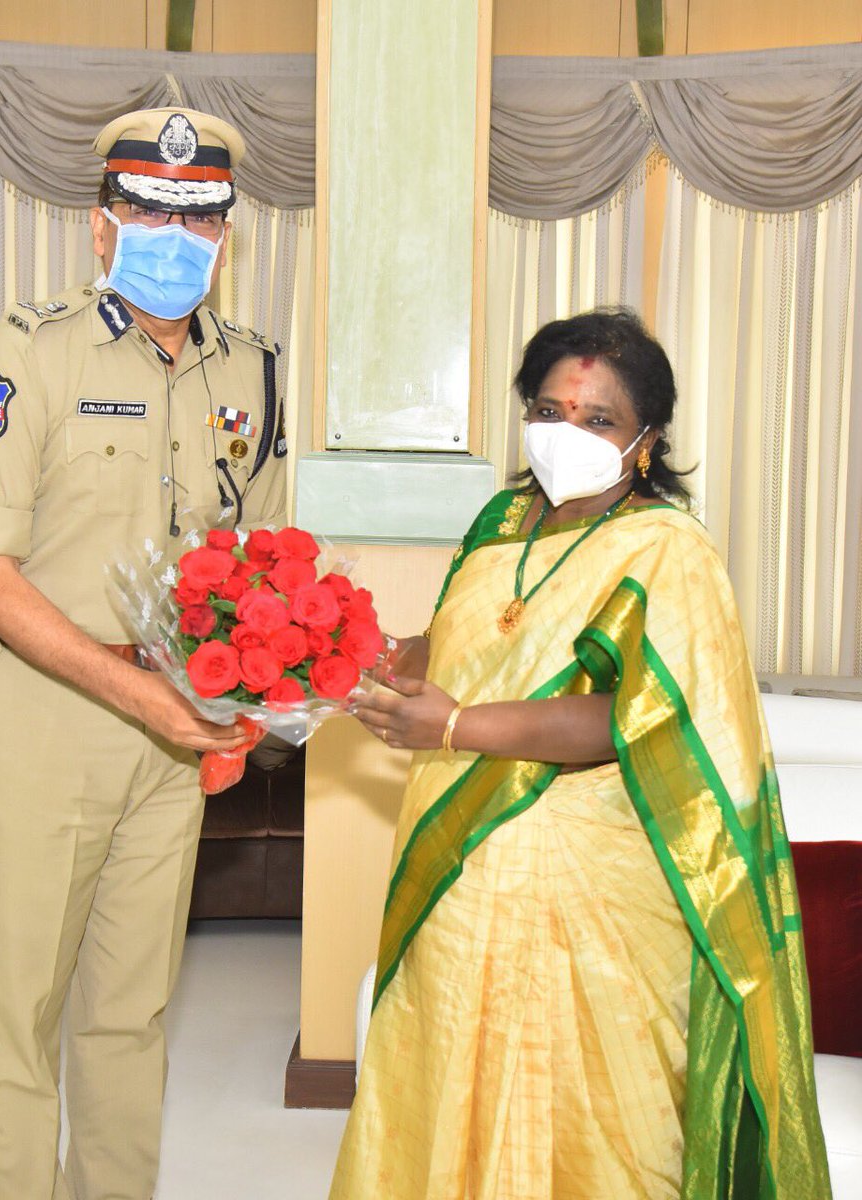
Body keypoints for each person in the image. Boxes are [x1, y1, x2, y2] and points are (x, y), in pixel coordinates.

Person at [332, 309, 830, 1200]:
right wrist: (372, 654)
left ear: (647, 438)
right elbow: (462, 645)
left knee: (588, 1115)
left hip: (594, 883)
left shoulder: (669, 549)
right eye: (550, 410)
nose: (570, 434)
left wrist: (454, 729)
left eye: (598, 419)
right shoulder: (502, 520)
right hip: (465, 874)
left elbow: (634, 718)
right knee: (449, 1074)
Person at [0, 107, 287, 1200]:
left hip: (178, 734)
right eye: (145, 211)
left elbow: (256, 563)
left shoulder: (255, 372)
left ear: (226, 236)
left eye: (195, 219)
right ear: (102, 227)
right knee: (20, 1015)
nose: (170, 236)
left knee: (131, 1012)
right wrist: (133, 696)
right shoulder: (24, 352)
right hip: (48, 718)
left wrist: (258, 693)